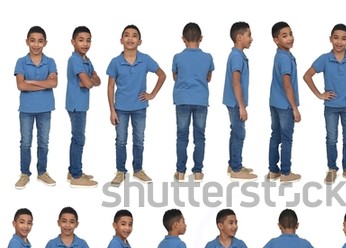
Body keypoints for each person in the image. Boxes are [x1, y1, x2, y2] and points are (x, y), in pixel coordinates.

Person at [303, 23, 346, 185]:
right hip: (331, 107)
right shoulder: (324, 59)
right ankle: (332, 169)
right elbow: (307, 76)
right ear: (330, 39)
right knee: (331, 139)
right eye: (336, 38)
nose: (339, 42)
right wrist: (320, 94)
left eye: (343, 39)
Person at [107, 24, 166, 187]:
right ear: (121, 40)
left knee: (139, 139)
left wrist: (152, 94)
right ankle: (120, 171)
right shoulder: (115, 62)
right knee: (121, 140)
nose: (130, 38)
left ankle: (138, 169)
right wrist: (112, 110)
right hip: (121, 108)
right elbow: (110, 86)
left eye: (134, 35)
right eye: (126, 35)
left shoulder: (145, 59)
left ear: (139, 41)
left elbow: (162, 75)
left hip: (140, 107)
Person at [14, 26, 58, 189]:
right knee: (25, 142)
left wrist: (31, 81)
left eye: (40, 41)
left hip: (45, 108)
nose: (36, 44)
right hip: (26, 109)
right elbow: (20, 85)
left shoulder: (50, 61)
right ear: (27, 42)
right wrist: (43, 84)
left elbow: (54, 83)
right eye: (33, 40)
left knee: (43, 142)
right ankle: (25, 173)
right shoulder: (21, 61)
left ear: (45, 43)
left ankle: (42, 172)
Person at [173, 22, 214, 183]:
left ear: (183, 39)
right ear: (201, 38)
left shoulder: (177, 57)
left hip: (182, 100)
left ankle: (180, 171)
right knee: (200, 137)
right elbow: (209, 77)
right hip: (201, 100)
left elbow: (175, 76)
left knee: (182, 136)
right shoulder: (208, 57)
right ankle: (198, 171)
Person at [66, 26, 101, 188]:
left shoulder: (87, 60)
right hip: (76, 105)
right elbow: (87, 82)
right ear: (73, 42)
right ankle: (77, 176)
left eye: (88, 40)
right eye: (81, 40)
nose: (85, 44)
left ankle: (72, 171)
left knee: (77, 138)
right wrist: (89, 81)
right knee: (79, 139)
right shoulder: (75, 60)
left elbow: (97, 80)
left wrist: (89, 81)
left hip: (82, 105)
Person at [223, 22, 257, 181]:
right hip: (236, 103)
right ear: (239, 37)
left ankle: (233, 164)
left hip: (234, 101)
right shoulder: (237, 56)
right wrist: (242, 107)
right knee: (239, 133)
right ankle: (236, 169)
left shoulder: (238, 55)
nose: (251, 38)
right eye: (248, 35)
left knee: (235, 132)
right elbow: (236, 82)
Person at [268, 22, 301, 184]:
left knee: (275, 136)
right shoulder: (285, 59)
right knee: (286, 138)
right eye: (284, 35)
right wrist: (295, 108)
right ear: (276, 40)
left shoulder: (280, 55)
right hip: (285, 105)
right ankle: (286, 172)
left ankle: (273, 170)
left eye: (290, 33)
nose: (290, 38)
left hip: (274, 102)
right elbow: (287, 85)